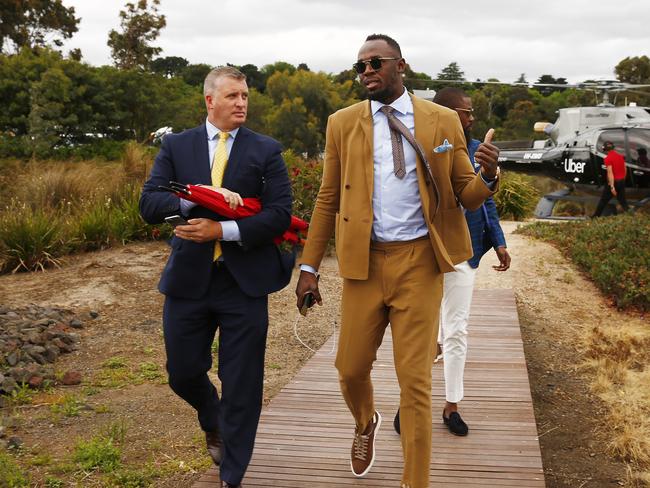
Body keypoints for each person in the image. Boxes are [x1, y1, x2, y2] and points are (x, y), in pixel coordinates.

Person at [294, 34, 500, 488]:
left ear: (400, 65)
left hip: (420, 262)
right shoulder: (342, 123)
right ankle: (365, 421)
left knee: (416, 385)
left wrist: (489, 173)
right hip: (364, 263)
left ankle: (415, 481)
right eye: (360, 65)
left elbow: (468, 195)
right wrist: (309, 267)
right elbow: (328, 197)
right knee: (349, 369)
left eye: (375, 63)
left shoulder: (443, 120)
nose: (366, 71)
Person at [140, 66, 293, 488]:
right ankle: (211, 414)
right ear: (209, 100)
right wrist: (193, 204)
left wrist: (222, 229)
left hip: (244, 282)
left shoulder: (266, 150)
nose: (241, 103)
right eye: (232, 96)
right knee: (182, 372)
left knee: (242, 381)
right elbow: (150, 203)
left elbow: (279, 215)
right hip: (189, 278)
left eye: (244, 96)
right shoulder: (177, 146)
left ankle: (232, 473)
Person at [392, 87, 511, 438]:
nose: (471, 118)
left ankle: (452, 405)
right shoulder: (420, 148)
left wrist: (499, 242)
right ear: (441, 113)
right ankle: (407, 403)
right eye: (466, 112)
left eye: (473, 112)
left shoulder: (477, 151)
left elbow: (485, 203)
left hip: (464, 254)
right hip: (424, 253)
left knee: (456, 329)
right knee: (422, 335)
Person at [592, 141, 628, 217]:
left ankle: (595, 217)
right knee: (623, 201)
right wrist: (623, 179)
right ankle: (632, 217)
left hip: (613, 183)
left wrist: (612, 186)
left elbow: (610, 173)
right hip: (621, 181)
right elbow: (625, 168)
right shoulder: (620, 156)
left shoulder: (608, 158)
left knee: (603, 201)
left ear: (605, 149)